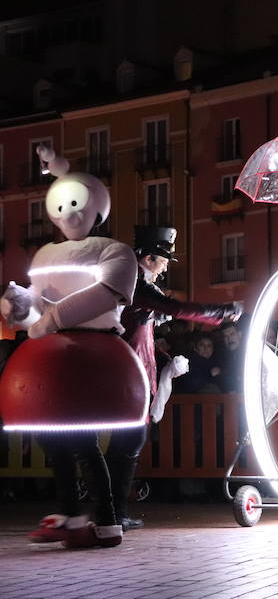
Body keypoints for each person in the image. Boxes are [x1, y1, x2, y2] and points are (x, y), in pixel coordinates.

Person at [1, 146, 144, 549]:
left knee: (80, 441)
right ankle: (70, 512)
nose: (70, 213)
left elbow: (107, 293)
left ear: (96, 206)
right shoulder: (45, 254)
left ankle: (106, 518)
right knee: (56, 440)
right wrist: (21, 307)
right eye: (61, 206)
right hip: (49, 359)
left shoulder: (115, 251)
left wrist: (50, 320)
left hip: (93, 357)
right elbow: (38, 303)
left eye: (77, 204)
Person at [109, 225, 241, 530]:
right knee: (127, 443)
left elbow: (161, 313)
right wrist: (220, 312)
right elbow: (177, 308)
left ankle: (113, 510)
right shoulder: (137, 285)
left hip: (132, 375)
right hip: (130, 377)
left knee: (126, 443)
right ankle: (112, 512)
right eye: (165, 259)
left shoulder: (132, 285)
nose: (167, 265)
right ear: (150, 258)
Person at [216, 321, 244, 392]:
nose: (229, 339)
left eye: (232, 334)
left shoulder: (249, 353)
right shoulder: (220, 356)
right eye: (226, 336)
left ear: (239, 335)